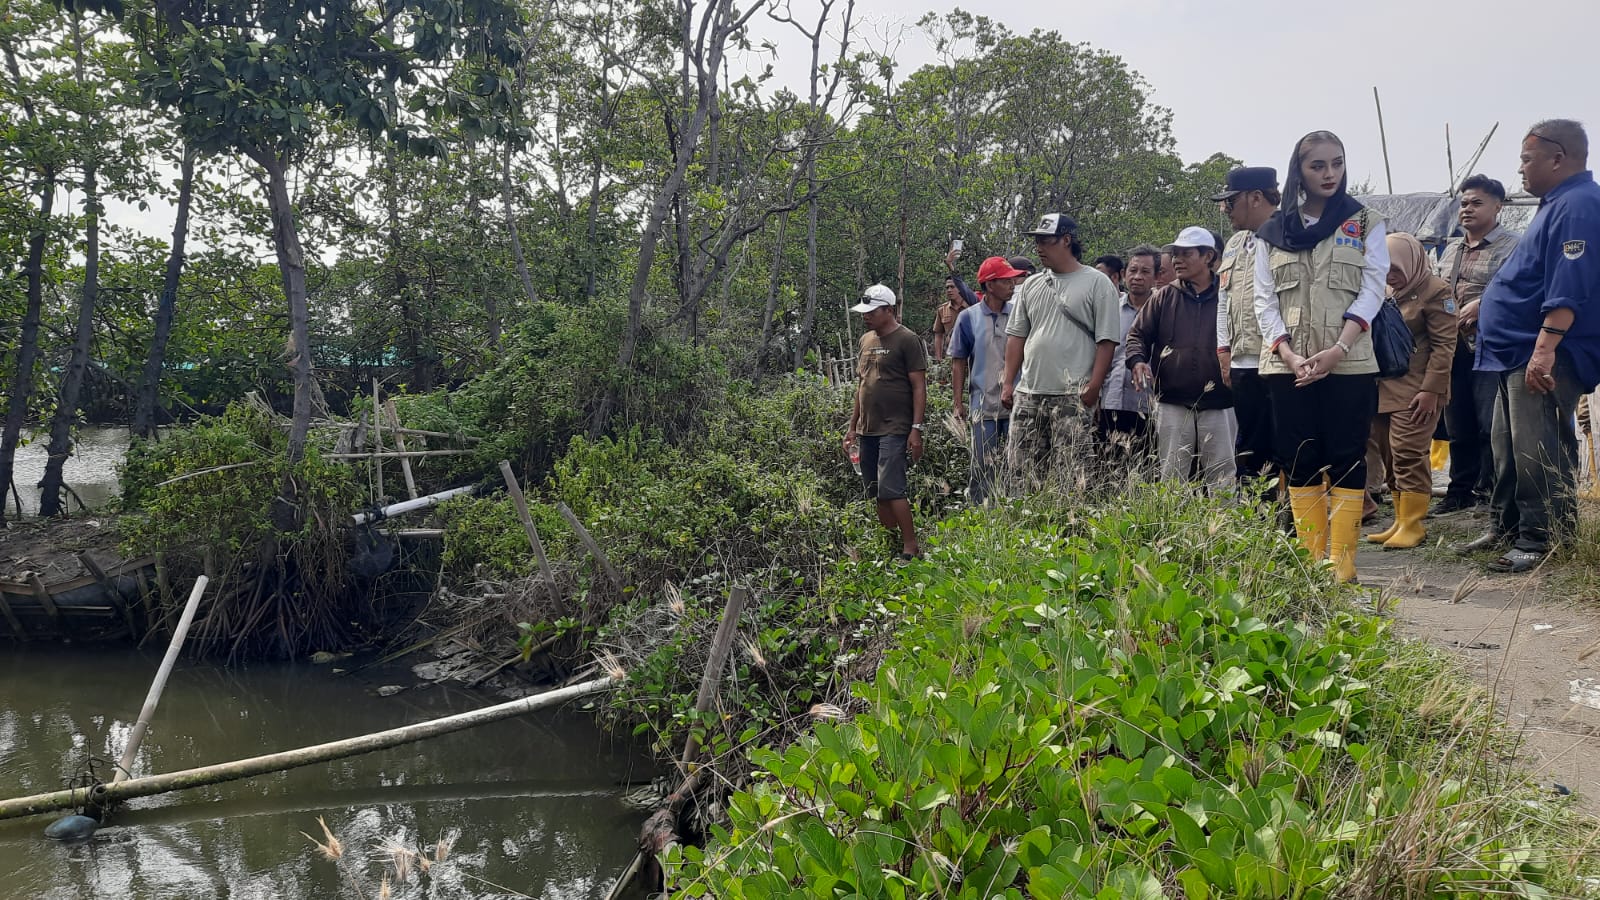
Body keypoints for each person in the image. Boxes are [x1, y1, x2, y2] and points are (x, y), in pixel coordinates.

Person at [1458, 119, 1600, 572]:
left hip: (1539, 354)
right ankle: (1509, 526)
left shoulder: (1578, 205)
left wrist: (1545, 348)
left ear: (1558, 158)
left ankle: (1544, 540)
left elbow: (1570, 284)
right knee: (1506, 445)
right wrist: (1489, 302)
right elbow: (1534, 275)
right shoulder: (1554, 204)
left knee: (1538, 448)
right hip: (1512, 353)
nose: (1520, 169)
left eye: (1526, 158)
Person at [1254, 131, 1390, 583]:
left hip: (1348, 361)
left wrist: (1340, 348)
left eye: (1337, 163)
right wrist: (1289, 354)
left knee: (1348, 456)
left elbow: (1373, 289)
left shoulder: (1366, 221)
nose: (1329, 173)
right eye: (1318, 166)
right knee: (1300, 458)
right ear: (1300, 171)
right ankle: (1311, 565)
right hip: (1287, 365)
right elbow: (1263, 300)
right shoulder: (1270, 231)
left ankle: (1343, 565)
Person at [1002, 213, 1122, 492]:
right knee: (1021, 473)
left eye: (1046, 241)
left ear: (1066, 240)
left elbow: (1107, 341)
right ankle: (1024, 529)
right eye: (1037, 241)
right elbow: (1016, 335)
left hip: (1072, 394)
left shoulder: (1097, 283)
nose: (1039, 248)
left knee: (1073, 474)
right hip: (1029, 393)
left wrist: (1094, 386)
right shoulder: (1031, 284)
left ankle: (1071, 529)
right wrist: (1009, 382)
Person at [1363, 232, 1457, 548]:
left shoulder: (1436, 290)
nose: (1390, 275)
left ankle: (1414, 524)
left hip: (1418, 390)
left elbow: (1445, 345)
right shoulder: (1385, 291)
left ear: (1411, 261)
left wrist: (1432, 390)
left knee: (1409, 453)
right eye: (1383, 268)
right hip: (1383, 387)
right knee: (1391, 456)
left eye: (1395, 268)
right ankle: (1401, 520)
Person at [1435, 175, 1521, 514]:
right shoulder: (1452, 248)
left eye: (1476, 203)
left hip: (1491, 347)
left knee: (1491, 424)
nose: (1467, 209)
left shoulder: (1513, 246)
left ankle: (1490, 495)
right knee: (1458, 423)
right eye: (1464, 203)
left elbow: (1519, 290)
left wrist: (1483, 305)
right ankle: (1459, 492)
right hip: (1451, 347)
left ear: (1497, 206)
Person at [1127, 227, 1236, 489]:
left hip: (1221, 400)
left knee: (1222, 478)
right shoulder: (1164, 295)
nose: (1176, 260)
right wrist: (1137, 360)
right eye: (1175, 254)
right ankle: (1170, 529)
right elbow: (1137, 335)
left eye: (1186, 254)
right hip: (1172, 402)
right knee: (1171, 477)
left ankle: (1223, 529)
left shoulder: (1228, 293)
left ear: (1208, 256)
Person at [843, 284, 928, 561]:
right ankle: (890, 542)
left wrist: (916, 429)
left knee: (893, 488)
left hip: (895, 426)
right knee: (875, 490)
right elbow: (862, 385)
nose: (866, 316)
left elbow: (918, 386)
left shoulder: (907, 340)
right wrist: (852, 426)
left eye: (871, 311)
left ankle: (910, 546)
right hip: (868, 427)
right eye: (864, 312)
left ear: (888, 310)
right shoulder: (866, 340)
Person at [1214, 166, 1282, 485]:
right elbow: (1224, 301)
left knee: (1286, 447)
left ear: (1255, 197)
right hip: (1243, 362)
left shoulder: (1289, 235)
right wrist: (1223, 350)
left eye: (1230, 201)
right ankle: (1256, 523)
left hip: (1281, 361)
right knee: (1249, 450)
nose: (1224, 209)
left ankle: (1292, 525)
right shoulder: (1234, 244)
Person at [949, 256, 1028, 504]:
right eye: (1005, 281)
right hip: (982, 406)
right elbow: (958, 362)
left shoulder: (1019, 314)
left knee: (1017, 465)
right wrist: (958, 403)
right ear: (990, 285)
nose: (1012, 284)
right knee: (982, 466)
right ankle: (981, 514)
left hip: (1017, 404)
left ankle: (1016, 512)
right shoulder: (968, 318)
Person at [1099, 244, 1158, 462]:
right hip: (1110, 400)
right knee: (1107, 467)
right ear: (1123, 275)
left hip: (1148, 403)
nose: (1137, 277)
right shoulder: (1109, 309)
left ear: (1156, 277)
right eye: (1132, 271)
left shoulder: (1163, 310)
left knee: (1144, 468)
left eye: (1145, 272)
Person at [931, 268, 976, 362]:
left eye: (952, 287)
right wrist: (938, 358)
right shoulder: (942, 309)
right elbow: (939, 334)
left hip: (972, 354)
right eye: (947, 287)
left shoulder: (971, 306)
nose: (949, 290)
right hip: (952, 355)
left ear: (960, 288)